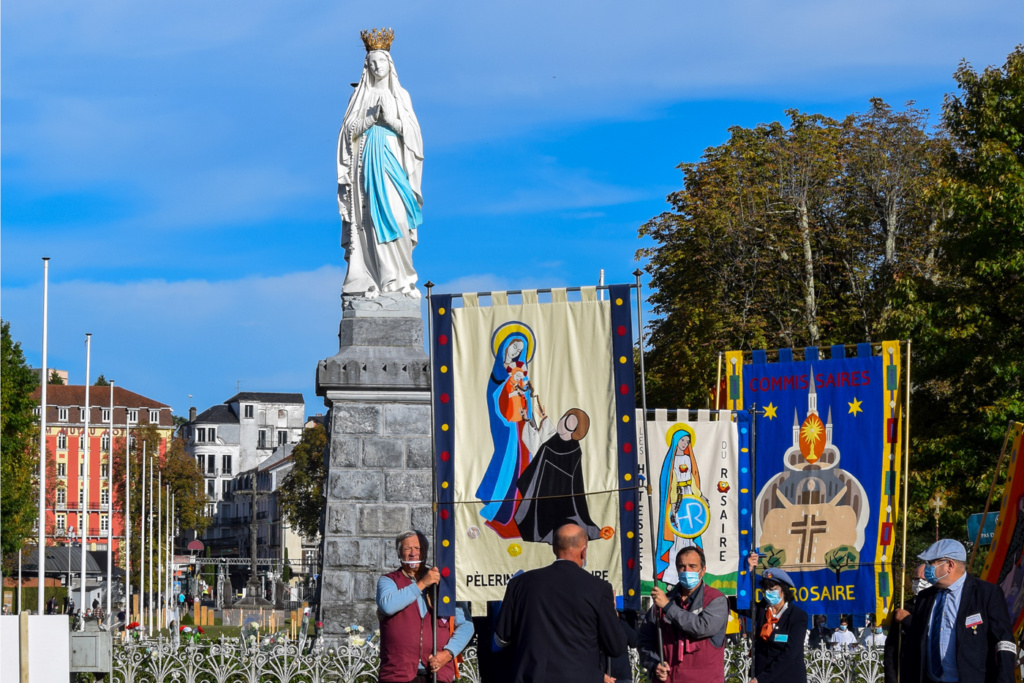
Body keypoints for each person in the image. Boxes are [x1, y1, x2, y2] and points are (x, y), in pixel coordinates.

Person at [337, 28, 423, 300]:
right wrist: (369, 121)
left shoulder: (402, 96)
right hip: (367, 163)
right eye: (372, 62)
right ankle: (379, 278)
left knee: (398, 217)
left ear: (390, 64)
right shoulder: (359, 97)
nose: (377, 66)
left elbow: (414, 138)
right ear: (367, 66)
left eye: (381, 61)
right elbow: (346, 133)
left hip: (393, 161)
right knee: (371, 221)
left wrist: (392, 122)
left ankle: (403, 280)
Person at [495, 523, 627, 682]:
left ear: (553, 548)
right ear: (584, 551)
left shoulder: (520, 584)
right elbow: (615, 647)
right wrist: (613, 614)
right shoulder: (598, 589)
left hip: (529, 676)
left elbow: (501, 639)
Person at [904, 538, 1015, 683]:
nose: (927, 569)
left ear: (950, 565)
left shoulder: (986, 594)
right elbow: (914, 645)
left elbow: (1004, 641)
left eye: (932, 563)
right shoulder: (925, 598)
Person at [376, 530, 473, 683]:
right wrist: (423, 584)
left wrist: (447, 654)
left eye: (418, 548)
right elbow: (388, 605)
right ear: (399, 554)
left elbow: (466, 625)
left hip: (437, 673)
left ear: (426, 553)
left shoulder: (444, 584)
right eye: (408, 549)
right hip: (397, 674)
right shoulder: (389, 581)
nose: (413, 553)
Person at [639, 546, 729, 683]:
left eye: (692, 566)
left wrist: (668, 607)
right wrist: (654, 664)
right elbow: (644, 641)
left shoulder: (716, 600)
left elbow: (702, 628)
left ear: (703, 570)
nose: (687, 571)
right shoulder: (662, 602)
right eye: (682, 566)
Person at [514, 407, 601, 544]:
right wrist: (531, 420)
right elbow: (538, 443)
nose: (562, 423)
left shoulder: (574, 450)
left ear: (575, 430)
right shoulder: (553, 439)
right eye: (564, 419)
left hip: (563, 494)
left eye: (569, 423)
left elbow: (575, 478)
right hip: (541, 490)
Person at [655, 425, 706, 585]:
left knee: (689, 535)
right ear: (676, 441)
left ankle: (693, 576)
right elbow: (668, 483)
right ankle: (672, 578)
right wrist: (674, 500)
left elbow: (693, 479)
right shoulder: (671, 461)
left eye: (687, 441)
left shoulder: (688, 458)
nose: (685, 444)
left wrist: (700, 496)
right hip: (676, 500)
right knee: (676, 536)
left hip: (689, 497)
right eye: (682, 440)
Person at [747, 554, 807, 683]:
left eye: (773, 589)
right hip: (761, 675)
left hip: (787, 677)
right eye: (765, 590)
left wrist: (761, 679)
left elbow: (790, 654)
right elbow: (739, 602)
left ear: (784, 590)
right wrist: (748, 570)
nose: (769, 593)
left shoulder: (797, 616)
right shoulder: (762, 610)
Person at [885, 563, 930, 683]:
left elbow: (928, 633)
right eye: (916, 579)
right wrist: (891, 678)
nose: (919, 583)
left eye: (923, 579)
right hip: (906, 671)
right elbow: (891, 646)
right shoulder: (903, 607)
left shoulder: (937, 606)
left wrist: (908, 620)